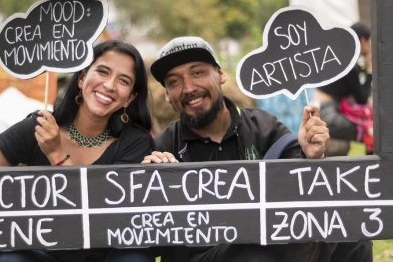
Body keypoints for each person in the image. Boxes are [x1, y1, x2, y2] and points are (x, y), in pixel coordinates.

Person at [142, 36, 372, 262]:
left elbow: (305, 187)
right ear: (167, 95)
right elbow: (150, 240)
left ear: (220, 74)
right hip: (208, 254)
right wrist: (151, 188)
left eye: (197, 72)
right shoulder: (162, 147)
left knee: (354, 236)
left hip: (274, 242)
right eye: (174, 81)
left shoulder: (263, 125)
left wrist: (311, 155)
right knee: (254, 255)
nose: (188, 87)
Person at [0, 40, 156, 262]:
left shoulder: (135, 142)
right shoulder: (40, 127)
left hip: (105, 256)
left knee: (135, 257)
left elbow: (102, 212)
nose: (110, 85)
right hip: (45, 255)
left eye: (123, 80)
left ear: (130, 97)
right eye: (103, 72)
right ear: (82, 78)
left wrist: (57, 155)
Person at [314, 22, 373, 155]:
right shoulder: (349, 65)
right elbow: (362, 98)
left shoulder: (340, 57)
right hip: (328, 113)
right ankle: (374, 170)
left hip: (322, 109)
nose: (371, 46)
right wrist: (370, 70)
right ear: (362, 41)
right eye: (370, 41)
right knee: (370, 131)